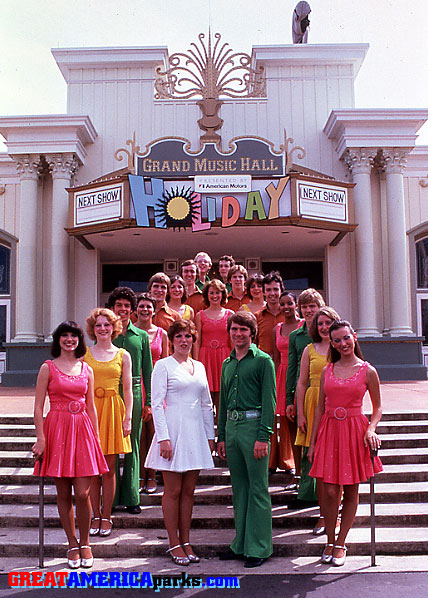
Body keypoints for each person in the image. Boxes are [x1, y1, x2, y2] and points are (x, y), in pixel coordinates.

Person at [32, 321, 108, 569]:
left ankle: (85, 542)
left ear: (79, 340)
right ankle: (72, 543)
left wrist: (95, 439)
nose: (69, 340)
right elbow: (38, 406)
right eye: (64, 335)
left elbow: (91, 407)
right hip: (57, 429)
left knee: (84, 492)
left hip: (83, 429)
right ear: (58, 340)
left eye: (73, 336)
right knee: (63, 493)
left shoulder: (86, 368)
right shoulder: (48, 368)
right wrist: (41, 438)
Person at [308, 320, 382, 566]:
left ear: (355, 337)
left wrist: (371, 429)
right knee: (329, 490)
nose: (343, 344)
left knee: (351, 489)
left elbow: (378, 407)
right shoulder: (327, 369)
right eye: (337, 340)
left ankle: (341, 543)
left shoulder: (368, 370)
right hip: (329, 430)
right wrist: (312, 443)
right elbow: (319, 408)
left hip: (354, 431)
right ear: (332, 343)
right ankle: (329, 539)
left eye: (346, 338)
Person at [145, 320, 215, 566]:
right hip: (172, 432)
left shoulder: (200, 366)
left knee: (188, 492)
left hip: (195, 433)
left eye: (188, 336)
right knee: (172, 491)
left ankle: (186, 541)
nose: (184, 341)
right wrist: (163, 437)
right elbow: (156, 403)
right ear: (171, 340)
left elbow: (206, 404)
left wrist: (210, 436)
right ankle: (173, 543)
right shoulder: (162, 366)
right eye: (179, 337)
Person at [217, 312, 276, 568]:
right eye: (234, 329)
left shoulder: (263, 361)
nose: (238, 334)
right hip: (232, 428)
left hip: (254, 428)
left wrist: (264, 436)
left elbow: (269, 401)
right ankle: (240, 543)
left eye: (243, 329)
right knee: (239, 488)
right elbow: (222, 400)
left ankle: (259, 547)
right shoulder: (227, 363)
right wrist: (221, 435)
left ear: (252, 333)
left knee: (258, 488)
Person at [84, 308, 133, 536]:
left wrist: (128, 418)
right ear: (92, 329)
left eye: (106, 325)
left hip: (113, 409)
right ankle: (94, 515)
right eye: (98, 325)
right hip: (90, 411)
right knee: (93, 468)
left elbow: (128, 389)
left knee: (110, 468)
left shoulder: (123, 354)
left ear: (113, 327)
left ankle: (107, 516)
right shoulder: (84, 354)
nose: (102, 329)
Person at [107, 286, 153, 514]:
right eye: (119, 306)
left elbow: (148, 371)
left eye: (127, 306)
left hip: (135, 393)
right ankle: (112, 497)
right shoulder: (106, 333)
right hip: (110, 393)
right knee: (112, 446)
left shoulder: (142, 336)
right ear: (112, 308)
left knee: (133, 444)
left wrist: (149, 401)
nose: (123, 309)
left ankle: (132, 497)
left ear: (132, 309)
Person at [295, 307, 340, 528]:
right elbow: (301, 383)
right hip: (313, 405)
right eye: (320, 323)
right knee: (319, 464)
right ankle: (323, 515)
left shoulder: (342, 347)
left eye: (328, 322)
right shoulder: (309, 349)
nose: (324, 327)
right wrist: (301, 413)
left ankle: (337, 513)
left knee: (336, 463)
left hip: (336, 407)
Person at [285, 288, 325, 497]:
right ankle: (307, 490)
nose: (309, 310)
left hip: (328, 395)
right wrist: (289, 400)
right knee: (305, 443)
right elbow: (292, 370)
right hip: (305, 395)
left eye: (312, 306)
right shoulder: (296, 336)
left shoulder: (330, 332)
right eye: (305, 307)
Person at [135, 293, 168, 494]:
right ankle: (139, 474)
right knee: (140, 434)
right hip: (137, 383)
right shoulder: (129, 332)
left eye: (148, 307)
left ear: (154, 311)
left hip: (157, 384)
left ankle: (152, 475)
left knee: (155, 432)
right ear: (135, 310)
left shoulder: (161, 334)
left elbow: (166, 361)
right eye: (141, 306)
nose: (145, 310)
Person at [269, 292, 303, 475]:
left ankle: (302, 469)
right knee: (287, 423)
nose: (286, 307)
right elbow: (275, 356)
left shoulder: (304, 325)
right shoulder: (277, 328)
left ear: (296, 304)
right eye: (283, 304)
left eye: (289, 303)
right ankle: (293, 468)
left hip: (299, 374)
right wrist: (273, 382)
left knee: (300, 422)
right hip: (282, 375)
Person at [194, 279, 233, 418]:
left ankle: (222, 435)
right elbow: (197, 341)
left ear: (223, 294)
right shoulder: (200, 315)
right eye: (211, 293)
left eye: (218, 292)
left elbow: (233, 341)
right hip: (206, 358)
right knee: (206, 398)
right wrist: (196, 363)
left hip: (224, 357)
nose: (215, 296)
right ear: (206, 295)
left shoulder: (230, 315)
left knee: (224, 398)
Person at [255, 271, 285, 358]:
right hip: (264, 364)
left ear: (281, 291)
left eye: (275, 289)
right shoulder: (257, 317)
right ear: (263, 292)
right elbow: (253, 344)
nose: (272, 293)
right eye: (268, 290)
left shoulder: (291, 315)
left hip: (286, 364)